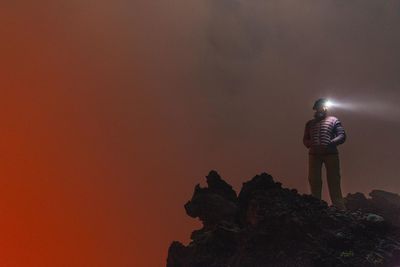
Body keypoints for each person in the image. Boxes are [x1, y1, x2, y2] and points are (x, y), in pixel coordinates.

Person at [303, 98, 347, 210]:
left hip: (330, 154)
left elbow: (342, 135)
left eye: (322, 106)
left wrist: (332, 142)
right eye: (319, 107)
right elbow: (305, 139)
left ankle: (339, 207)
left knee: (334, 180)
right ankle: (316, 205)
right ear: (315, 109)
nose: (321, 109)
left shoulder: (333, 120)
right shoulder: (310, 124)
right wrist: (311, 144)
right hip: (314, 155)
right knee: (314, 180)